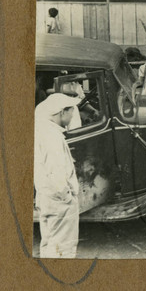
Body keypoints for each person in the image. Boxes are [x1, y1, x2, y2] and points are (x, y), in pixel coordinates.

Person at [34, 93, 81, 258]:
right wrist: (67, 198)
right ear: (62, 112)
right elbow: (56, 172)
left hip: (47, 198)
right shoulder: (52, 137)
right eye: (71, 111)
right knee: (62, 251)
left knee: (49, 245)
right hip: (59, 202)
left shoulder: (43, 130)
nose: (73, 114)